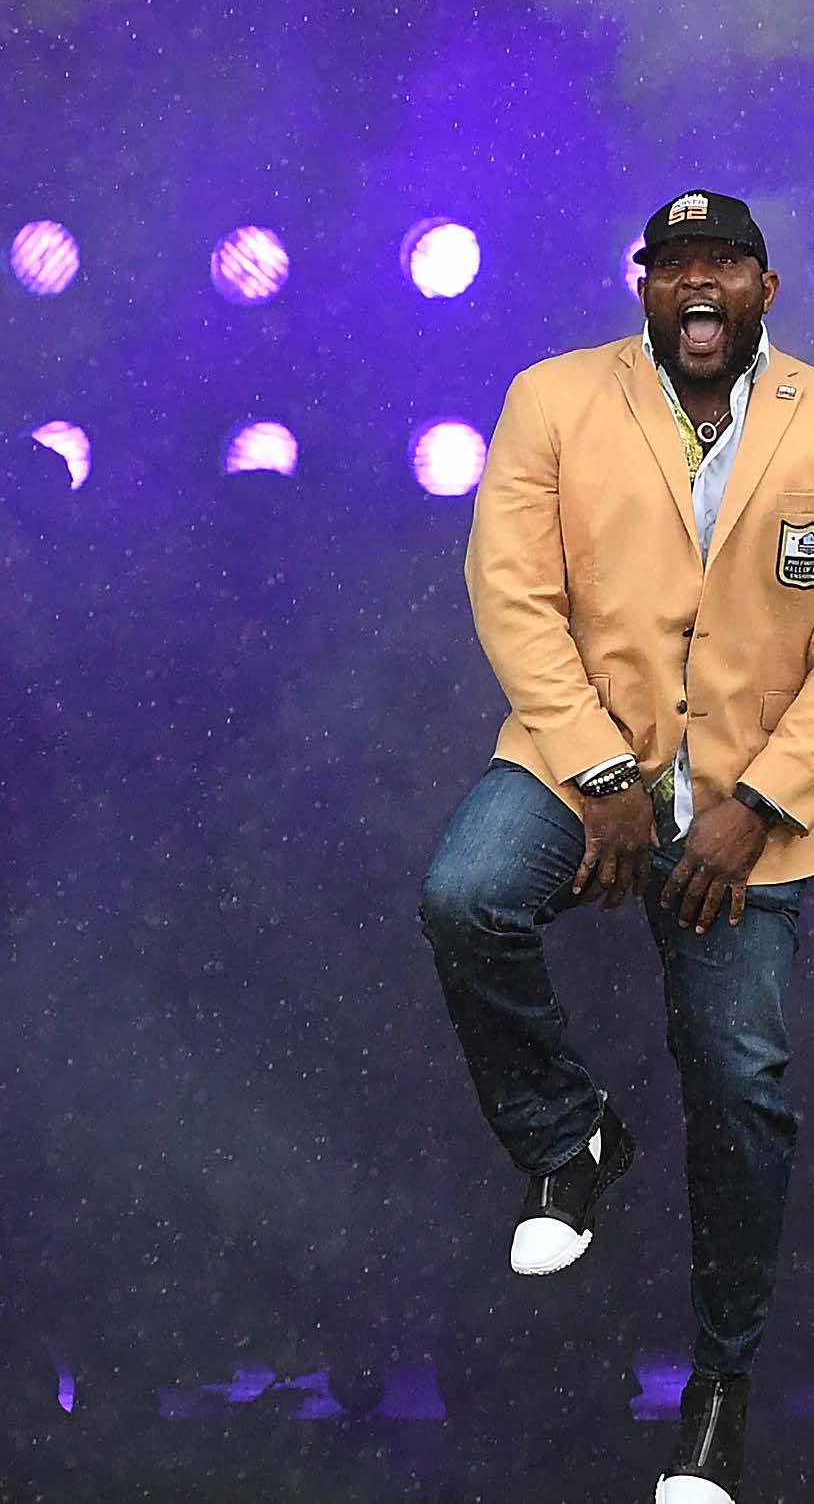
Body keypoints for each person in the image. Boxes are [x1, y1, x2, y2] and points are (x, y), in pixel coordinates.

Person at [419, 190, 814, 1504]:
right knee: (467, 895)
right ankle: (570, 1135)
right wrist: (603, 774)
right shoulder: (553, 398)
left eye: (725, 264)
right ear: (643, 285)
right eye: (674, 264)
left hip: (753, 802)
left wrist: (759, 803)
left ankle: (720, 1387)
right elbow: (511, 594)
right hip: (580, 759)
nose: (699, 284)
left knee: (741, 1092)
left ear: (763, 287)